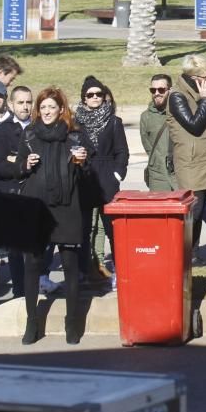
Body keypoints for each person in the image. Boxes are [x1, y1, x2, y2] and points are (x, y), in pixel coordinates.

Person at [14, 87, 90, 345]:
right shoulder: (29, 134)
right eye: (43, 107)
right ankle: (31, 322)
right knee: (32, 265)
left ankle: (72, 323)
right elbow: (18, 169)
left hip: (67, 207)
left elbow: (87, 171)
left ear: (61, 110)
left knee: (70, 266)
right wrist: (27, 164)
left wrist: (82, 161)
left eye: (51, 107)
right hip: (37, 207)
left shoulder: (74, 134)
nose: (46, 112)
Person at [167, 55, 206, 264]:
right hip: (190, 162)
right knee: (192, 210)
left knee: (201, 208)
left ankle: (192, 253)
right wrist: (204, 100)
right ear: (196, 78)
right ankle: (184, 254)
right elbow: (193, 125)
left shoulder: (199, 91)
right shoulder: (177, 96)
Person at [74, 75, 128, 288]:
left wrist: (117, 174)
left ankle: (118, 271)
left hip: (107, 178)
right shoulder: (75, 122)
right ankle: (83, 270)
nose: (95, 97)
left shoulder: (114, 122)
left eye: (98, 94)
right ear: (84, 98)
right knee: (84, 229)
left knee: (112, 229)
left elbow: (122, 152)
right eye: (90, 95)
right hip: (85, 178)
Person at [0, 85, 37, 298]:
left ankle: (35, 290)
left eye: (28, 102)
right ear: (11, 104)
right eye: (20, 102)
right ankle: (19, 295)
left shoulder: (39, 127)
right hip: (12, 195)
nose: (25, 107)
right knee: (16, 252)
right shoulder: (3, 132)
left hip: (36, 194)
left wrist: (14, 159)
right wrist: (22, 165)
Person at [140, 74, 176, 193]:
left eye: (161, 90)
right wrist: (157, 162)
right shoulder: (146, 117)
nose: (156, 93)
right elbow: (148, 146)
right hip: (157, 176)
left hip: (180, 174)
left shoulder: (180, 113)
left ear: (170, 90)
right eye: (153, 90)